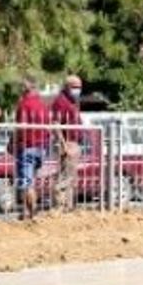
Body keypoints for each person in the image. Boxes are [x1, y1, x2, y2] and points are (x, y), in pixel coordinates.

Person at [11, 76, 51, 220]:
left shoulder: (24, 104)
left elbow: (20, 128)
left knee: (26, 183)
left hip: (27, 147)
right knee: (31, 181)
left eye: (21, 86)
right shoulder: (43, 105)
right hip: (42, 148)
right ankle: (27, 212)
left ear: (26, 87)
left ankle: (31, 213)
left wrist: (12, 142)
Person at [50, 75, 84, 211]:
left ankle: (68, 207)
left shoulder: (72, 101)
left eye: (79, 87)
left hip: (74, 142)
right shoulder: (61, 101)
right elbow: (55, 124)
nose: (78, 90)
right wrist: (64, 145)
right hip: (67, 143)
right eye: (74, 87)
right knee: (65, 177)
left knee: (71, 177)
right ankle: (59, 205)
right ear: (66, 87)